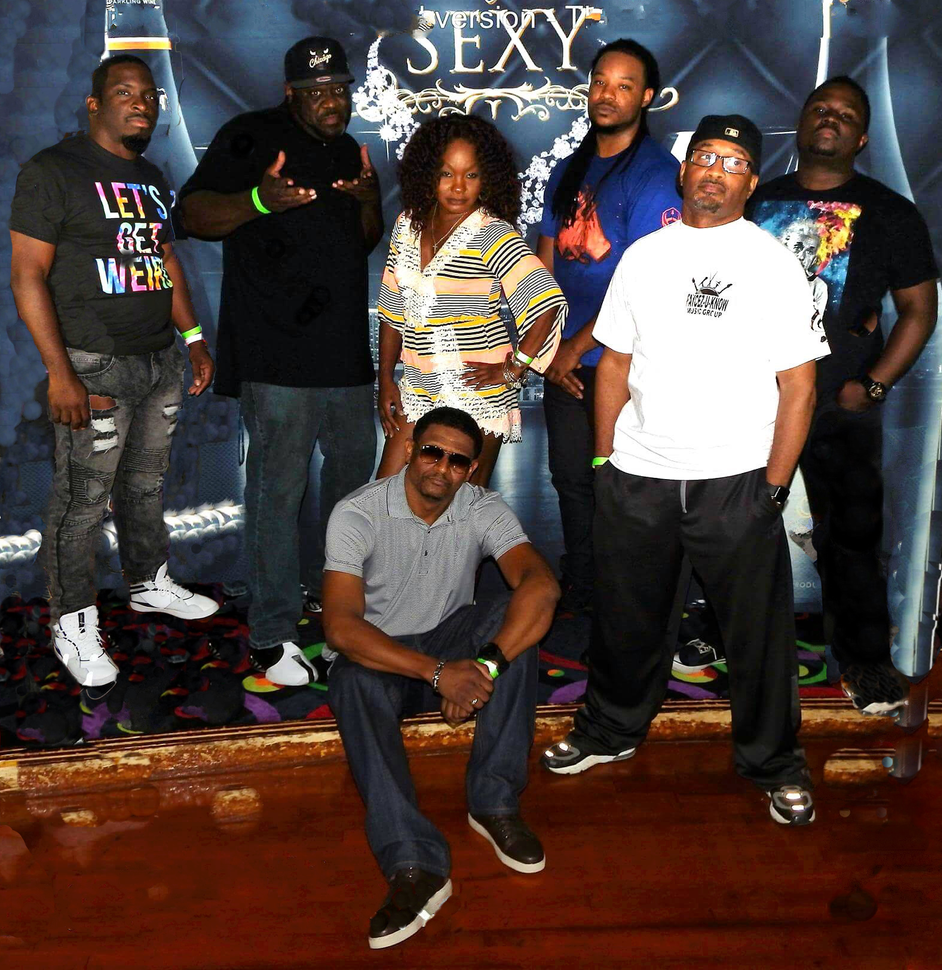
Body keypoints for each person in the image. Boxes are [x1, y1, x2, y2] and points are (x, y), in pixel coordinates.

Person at [541, 113, 826, 827]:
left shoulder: (771, 262)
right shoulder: (646, 256)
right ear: (684, 168)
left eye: (733, 162)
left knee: (756, 638)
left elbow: (799, 385)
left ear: (751, 183)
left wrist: (773, 486)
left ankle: (774, 763)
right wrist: (604, 457)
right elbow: (615, 361)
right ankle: (609, 730)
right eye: (705, 156)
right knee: (626, 621)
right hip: (639, 475)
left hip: (737, 481)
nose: (715, 171)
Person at [179, 37, 384, 687]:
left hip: (345, 356)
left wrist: (368, 199)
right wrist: (260, 202)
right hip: (276, 356)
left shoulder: (348, 150)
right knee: (277, 497)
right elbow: (191, 214)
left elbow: (364, 241)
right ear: (291, 93)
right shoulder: (249, 135)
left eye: (340, 89)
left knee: (351, 498)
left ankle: (335, 610)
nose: (332, 101)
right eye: (317, 92)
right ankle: (271, 634)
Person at [9, 55, 217, 690]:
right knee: (82, 500)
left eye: (149, 95)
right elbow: (27, 275)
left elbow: (165, 259)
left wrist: (193, 339)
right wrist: (60, 374)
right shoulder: (53, 171)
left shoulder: (150, 176)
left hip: (159, 359)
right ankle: (72, 621)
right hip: (93, 365)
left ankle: (147, 582)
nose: (141, 103)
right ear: (94, 103)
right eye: (124, 93)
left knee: (145, 485)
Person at [322, 406, 560, 949]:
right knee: (351, 680)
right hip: (385, 657)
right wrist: (438, 675)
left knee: (517, 616)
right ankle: (414, 862)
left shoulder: (482, 507)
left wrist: (484, 668)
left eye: (457, 461)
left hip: (452, 642)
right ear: (410, 450)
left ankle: (494, 803)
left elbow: (541, 585)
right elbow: (340, 626)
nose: (442, 467)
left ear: (471, 470)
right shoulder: (358, 512)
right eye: (432, 452)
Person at [747, 76, 939, 716]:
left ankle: (864, 660)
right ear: (802, 122)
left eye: (846, 114)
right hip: (752, 403)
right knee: (731, 527)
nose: (830, 118)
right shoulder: (756, 201)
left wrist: (875, 384)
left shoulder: (890, 212)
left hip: (838, 407)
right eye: (820, 108)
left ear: (861, 138)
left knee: (852, 537)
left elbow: (919, 310)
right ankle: (719, 634)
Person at [536, 38, 682, 614]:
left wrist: (573, 347)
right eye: (600, 81)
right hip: (566, 360)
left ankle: (630, 602)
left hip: (622, 363)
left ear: (646, 97)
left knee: (620, 490)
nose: (607, 94)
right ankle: (584, 588)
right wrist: (548, 347)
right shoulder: (570, 167)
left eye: (624, 86)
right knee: (571, 482)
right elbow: (544, 261)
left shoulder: (657, 175)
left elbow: (647, 284)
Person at [374, 115, 567, 487]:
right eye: (447, 173)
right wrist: (385, 379)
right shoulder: (406, 225)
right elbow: (391, 309)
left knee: (460, 509)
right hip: (418, 388)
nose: (459, 186)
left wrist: (514, 369)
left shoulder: (493, 233)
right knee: (386, 495)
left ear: (487, 178)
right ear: (429, 174)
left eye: (471, 175)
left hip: (478, 394)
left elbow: (547, 301)